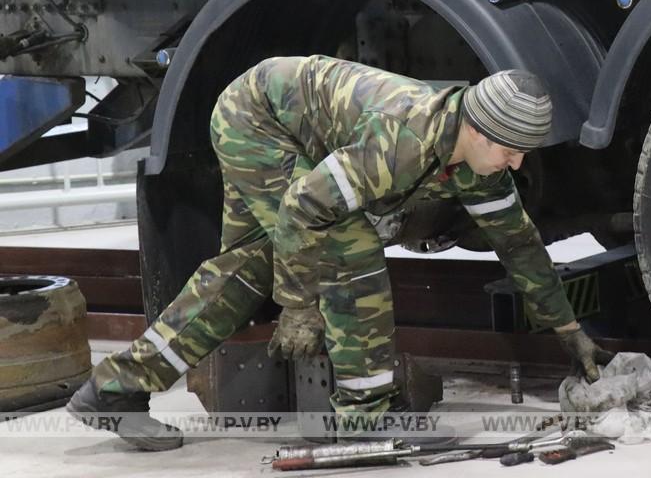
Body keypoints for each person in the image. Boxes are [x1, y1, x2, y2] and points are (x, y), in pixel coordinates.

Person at [67, 56, 612, 450]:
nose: (517, 165)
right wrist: (300, 304)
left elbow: (519, 244)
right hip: (257, 121)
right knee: (352, 253)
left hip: (291, 130)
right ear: (475, 128)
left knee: (247, 270)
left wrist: (568, 332)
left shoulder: (480, 165)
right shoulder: (405, 140)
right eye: (511, 151)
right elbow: (305, 210)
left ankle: (113, 391)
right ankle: (361, 418)